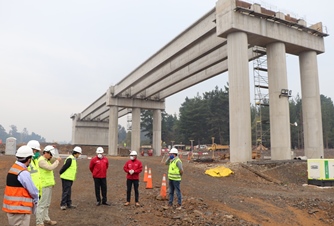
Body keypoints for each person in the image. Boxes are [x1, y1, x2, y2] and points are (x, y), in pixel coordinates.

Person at [2, 145, 39, 226]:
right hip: (20, 209)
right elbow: (33, 191)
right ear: (29, 159)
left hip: (12, 208)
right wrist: (37, 200)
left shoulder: (13, 169)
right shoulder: (23, 173)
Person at [36, 145, 61, 226]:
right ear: (46, 153)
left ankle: (46, 219)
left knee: (46, 204)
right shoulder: (41, 161)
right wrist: (57, 161)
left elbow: (52, 159)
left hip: (48, 185)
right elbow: (50, 168)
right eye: (50, 154)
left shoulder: (46, 159)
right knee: (42, 204)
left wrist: (55, 155)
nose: (51, 157)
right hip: (43, 185)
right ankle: (39, 222)